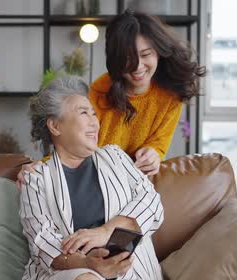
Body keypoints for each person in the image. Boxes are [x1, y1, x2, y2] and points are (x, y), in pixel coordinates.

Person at [20, 76, 164, 280]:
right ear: (55, 126)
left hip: (128, 277)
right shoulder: (36, 178)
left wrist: (105, 231)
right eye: (84, 112)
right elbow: (41, 244)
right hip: (64, 278)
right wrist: (89, 264)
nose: (95, 121)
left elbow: (152, 204)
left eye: (94, 114)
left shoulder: (115, 157)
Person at [18, 10, 204, 185]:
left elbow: (158, 143)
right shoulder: (96, 95)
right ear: (116, 59)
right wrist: (40, 167)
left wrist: (154, 154)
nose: (138, 66)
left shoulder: (170, 93)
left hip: (134, 184)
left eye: (146, 54)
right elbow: (72, 149)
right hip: (94, 182)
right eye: (128, 58)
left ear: (159, 52)